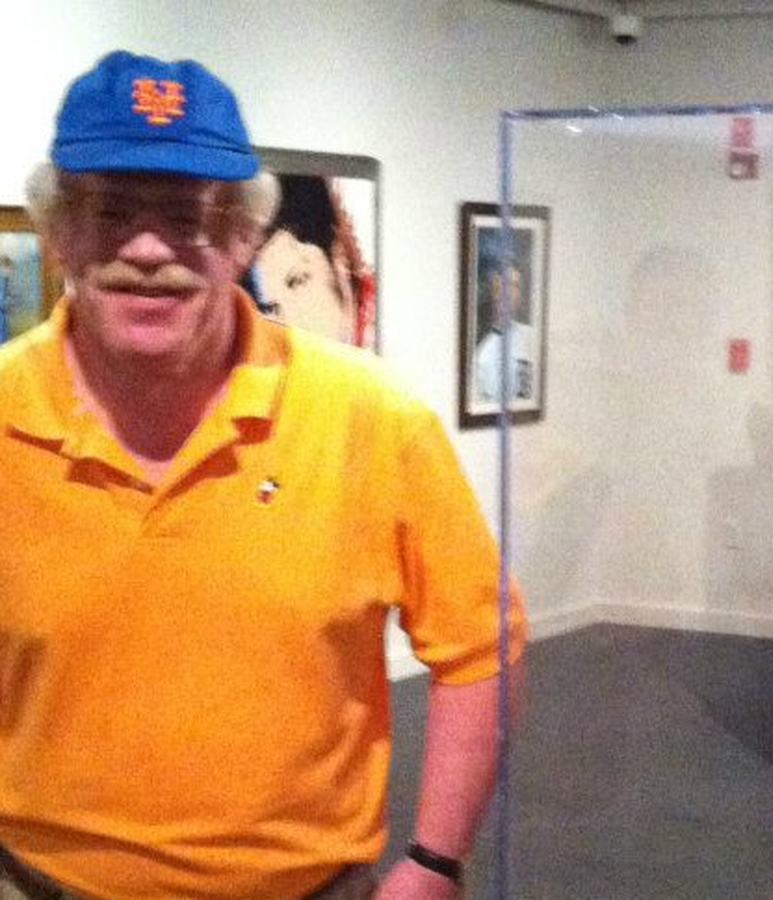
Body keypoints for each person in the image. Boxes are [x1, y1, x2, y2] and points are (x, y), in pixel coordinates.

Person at [0, 51, 523, 900]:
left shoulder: (373, 420)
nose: (146, 249)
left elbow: (482, 647)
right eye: (110, 210)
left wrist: (435, 861)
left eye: (187, 216)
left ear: (245, 235)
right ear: (58, 230)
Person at [473, 262, 535, 405]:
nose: (511, 293)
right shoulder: (482, 356)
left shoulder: (532, 336)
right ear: (495, 292)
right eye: (506, 285)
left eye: (516, 286)